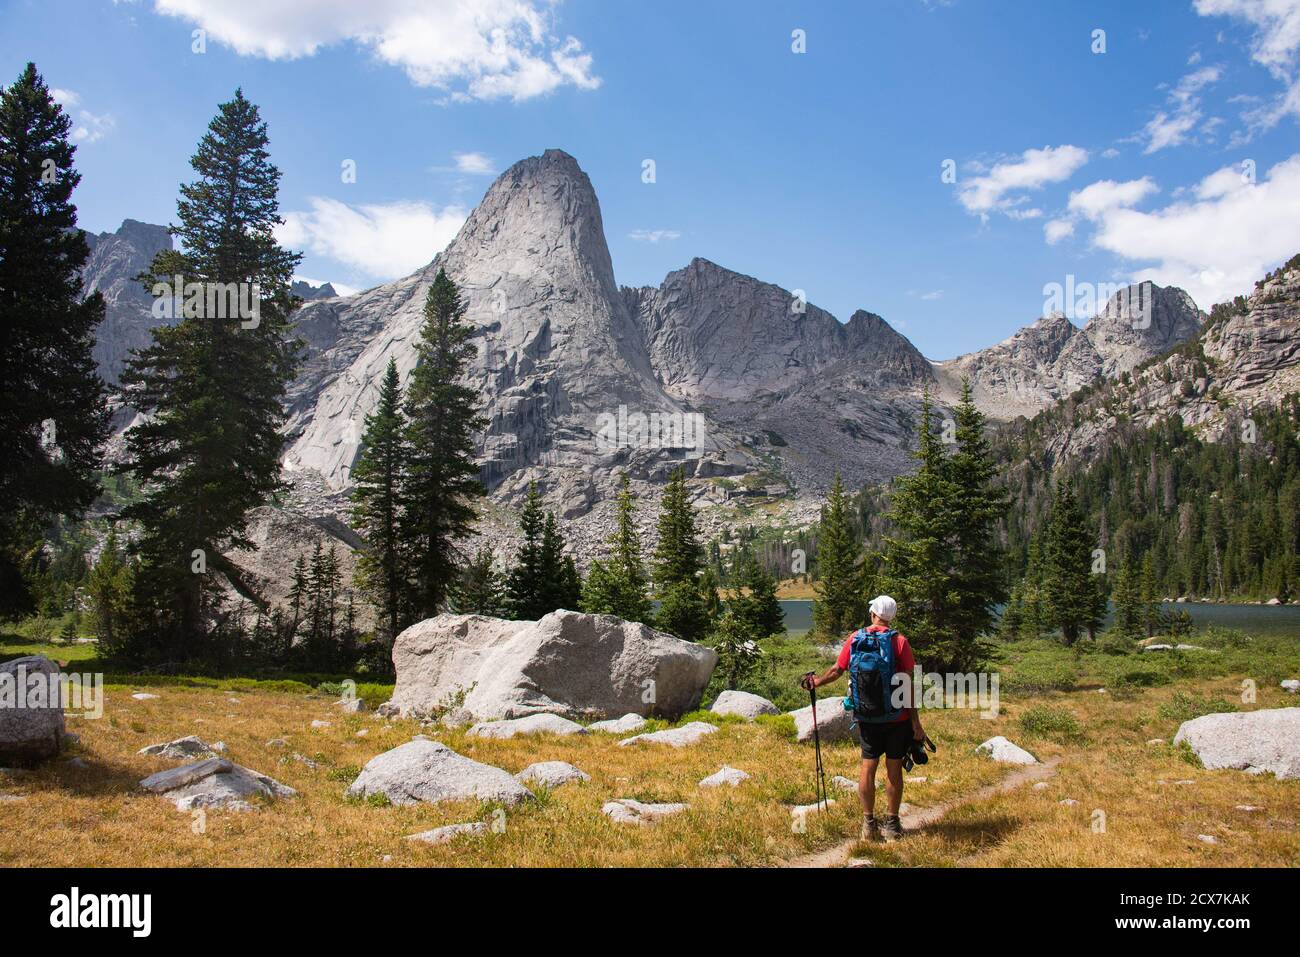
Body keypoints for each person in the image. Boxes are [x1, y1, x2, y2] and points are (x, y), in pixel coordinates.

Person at [801, 594, 924, 842]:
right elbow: (908, 684)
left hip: (867, 717)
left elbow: (837, 670)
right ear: (892, 617)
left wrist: (816, 682)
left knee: (868, 767)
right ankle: (892, 824)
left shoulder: (856, 638)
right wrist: (915, 721)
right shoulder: (900, 642)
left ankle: (868, 824)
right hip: (896, 718)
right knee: (893, 770)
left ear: (873, 614)